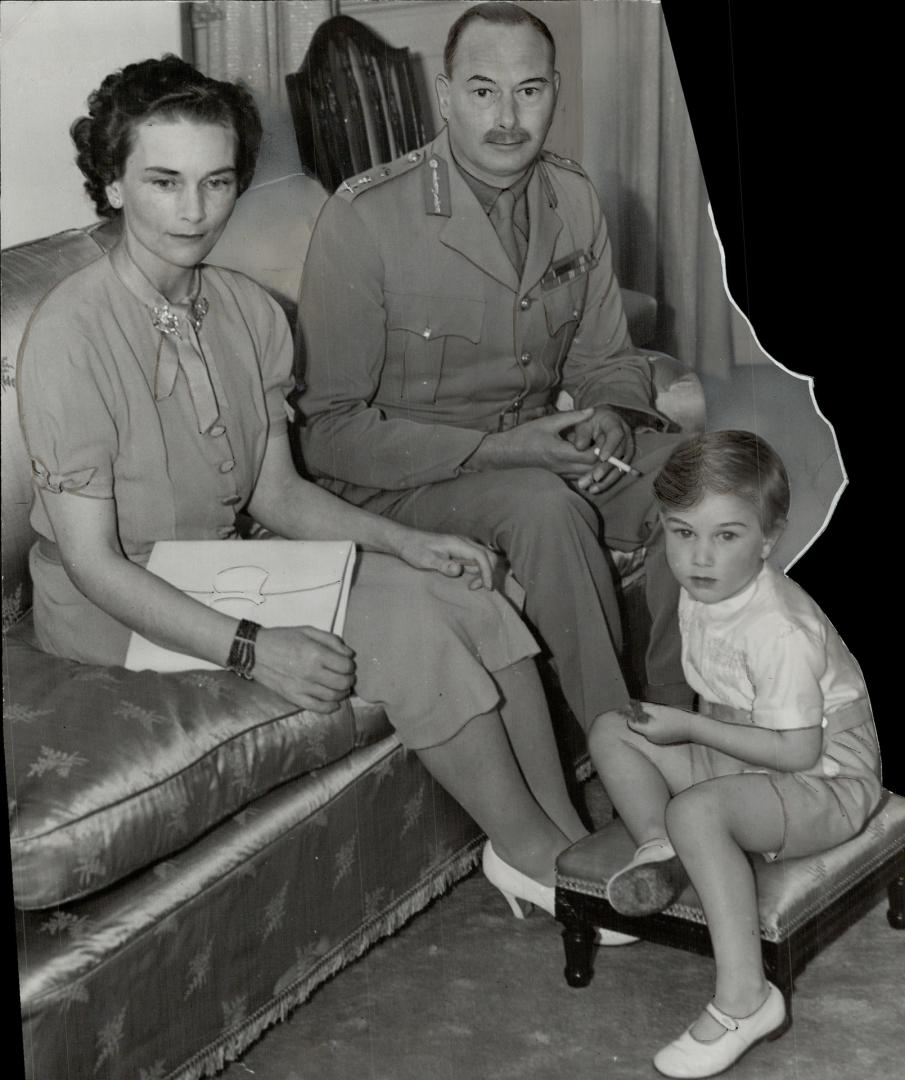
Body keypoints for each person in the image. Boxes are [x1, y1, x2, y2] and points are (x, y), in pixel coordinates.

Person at [16, 54, 598, 924]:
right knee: (406, 628)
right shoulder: (70, 333)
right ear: (111, 184)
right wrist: (254, 648)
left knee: (462, 588)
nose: (194, 210)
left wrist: (406, 543)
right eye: (163, 181)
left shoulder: (246, 311)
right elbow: (96, 566)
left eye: (217, 182)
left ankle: (567, 838)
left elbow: (277, 496)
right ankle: (532, 855)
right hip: (113, 602)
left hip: (216, 563)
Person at [296, 1, 693, 748]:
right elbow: (327, 432)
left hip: (540, 451)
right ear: (444, 96)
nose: (507, 117)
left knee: (698, 475)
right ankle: (625, 753)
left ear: (555, 92)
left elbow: (606, 357)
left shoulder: (572, 197)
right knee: (543, 508)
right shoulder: (366, 219)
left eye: (529, 91)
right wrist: (508, 452)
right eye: (483, 91)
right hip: (409, 480)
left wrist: (610, 412)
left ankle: (681, 724)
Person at [589, 431, 882, 1077]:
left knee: (696, 812)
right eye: (680, 531)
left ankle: (746, 1000)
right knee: (612, 730)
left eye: (725, 535)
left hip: (825, 779)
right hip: (749, 755)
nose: (698, 556)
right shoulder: (703, 589)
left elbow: (798, 749)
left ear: (767, 539)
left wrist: (690, 734)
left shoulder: (777, 629)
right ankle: (658, 856)